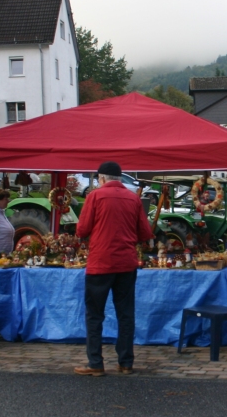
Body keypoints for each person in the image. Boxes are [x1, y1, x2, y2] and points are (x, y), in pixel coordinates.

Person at [74, 161, 154, 377]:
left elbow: (82, 229)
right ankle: (126, 362)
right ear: (120, 179)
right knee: (125, 314)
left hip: (100, 262)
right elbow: (145, 233)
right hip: (126, 263)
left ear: (101, 178)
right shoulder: (133, 198)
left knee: (94, 315)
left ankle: (96, 363)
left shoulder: (95, 196)